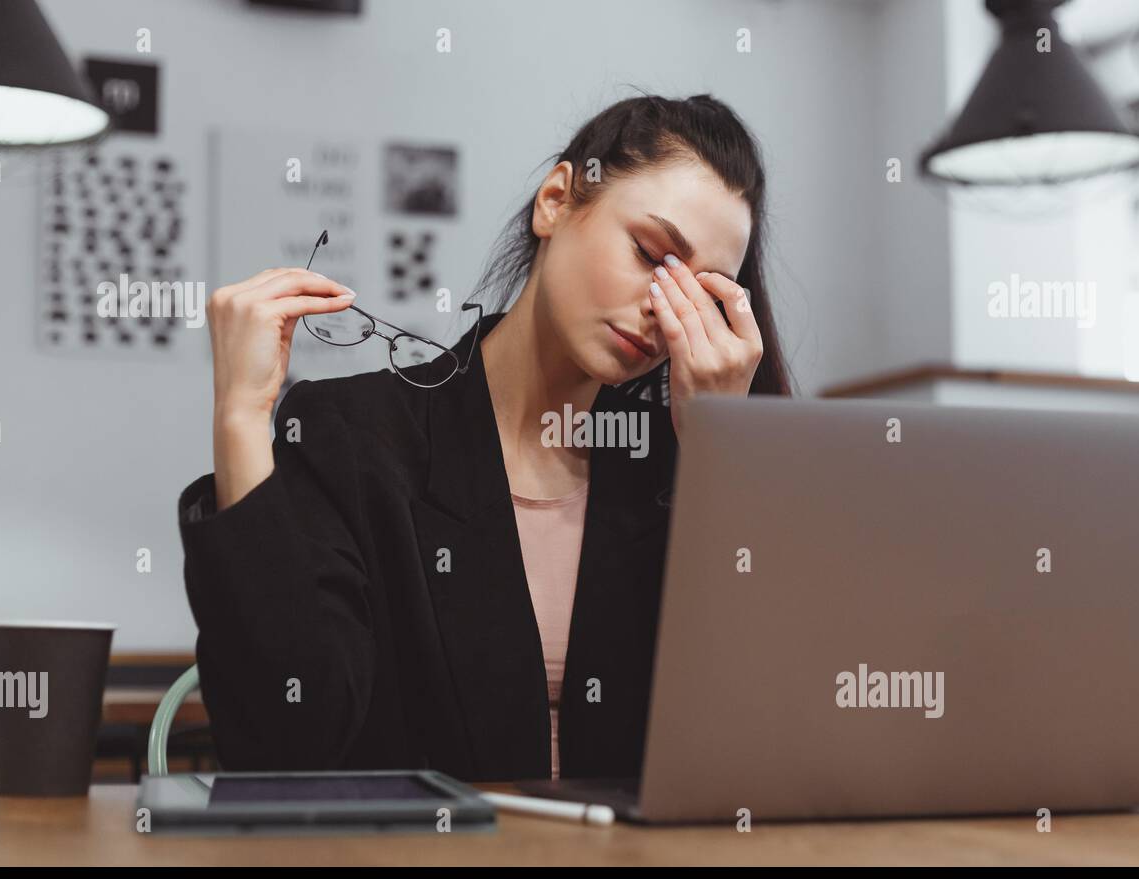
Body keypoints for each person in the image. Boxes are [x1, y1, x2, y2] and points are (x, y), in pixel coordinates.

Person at [178, 92, 793, 782]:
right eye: (651, 254)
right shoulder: (356, 437)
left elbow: (768, 751)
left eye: (702, 297)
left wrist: (721, 455)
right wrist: (239, 415)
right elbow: (288, 741)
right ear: (556, 200)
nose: (663, 312)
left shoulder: (677, 470)